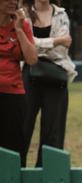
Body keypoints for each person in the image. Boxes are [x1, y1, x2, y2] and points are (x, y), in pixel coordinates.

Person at [21, 0, 75, 168]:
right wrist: (56, 40)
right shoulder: (22, 14)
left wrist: (36, 44)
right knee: (22, 127)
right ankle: (16, 176)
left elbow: (61, 50)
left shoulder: (61, 14)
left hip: (56, 77)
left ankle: (47, 181)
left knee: (53, 132)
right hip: (28, 76)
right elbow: (25, 47)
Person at [0, 0, 36, 166]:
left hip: (14, 95)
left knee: (14, 150)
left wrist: (20, 30)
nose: (13, 1)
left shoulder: (22, 24)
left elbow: (31, 59)